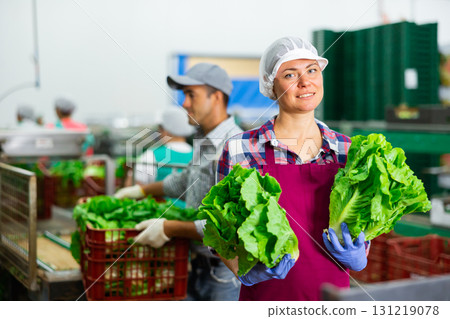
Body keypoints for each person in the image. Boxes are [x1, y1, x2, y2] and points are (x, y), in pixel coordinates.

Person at [216, 37, 369, 301]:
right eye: (290, 74)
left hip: (332, 299)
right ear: (271, 86)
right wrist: (245, 270)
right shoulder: (241, 149)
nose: (305, 82)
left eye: (312, 70)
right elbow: (220, 232)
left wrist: (361, 254)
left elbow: (361, 226)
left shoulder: (348, 150)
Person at [114, 63, 243, 300]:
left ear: (215, 97)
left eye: (190, 94)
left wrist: (169, 228)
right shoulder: (206, 140)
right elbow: (186, 181)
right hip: (199, 265)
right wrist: (139, 190)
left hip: (224, 273)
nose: (184, 103)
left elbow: (228, 226)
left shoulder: (233, 145)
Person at [131, 106, 194, 207]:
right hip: (192, 218)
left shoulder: (151, 155)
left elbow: (136, 191)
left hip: (160, 218)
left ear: (165, 130)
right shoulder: (199, 156)